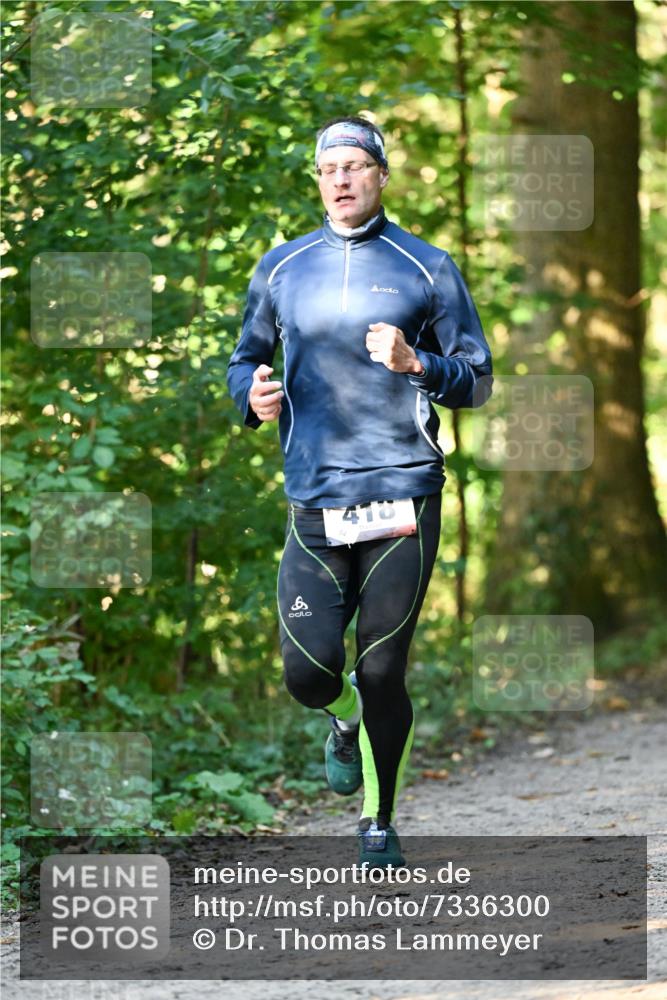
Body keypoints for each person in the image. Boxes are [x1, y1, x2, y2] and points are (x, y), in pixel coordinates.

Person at [227, 115, 492, 868]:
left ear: (380, 174)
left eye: (353, 166)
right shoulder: (281, 269)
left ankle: (378, 821)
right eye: (326, 169)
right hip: (315, 499)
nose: (339, 180)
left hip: (403, 495)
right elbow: (243, 361)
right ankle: (339, 721)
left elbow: (476, 379)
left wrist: (417, 364)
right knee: (307, 674)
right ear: (318, 182)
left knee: (381, 667)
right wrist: (254, 396)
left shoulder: (426, 266)